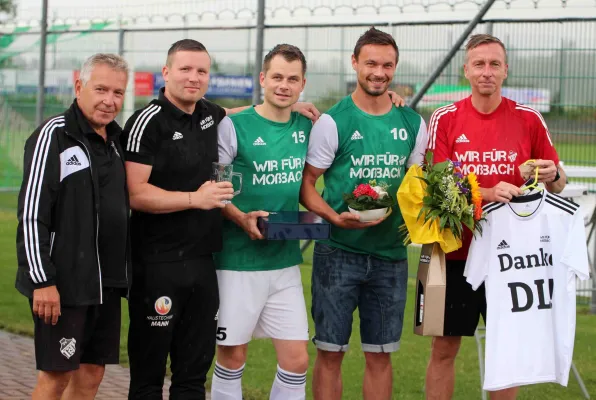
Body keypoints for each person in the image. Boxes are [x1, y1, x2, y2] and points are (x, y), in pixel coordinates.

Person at [122, 39, 322, 400]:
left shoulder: (210, 114)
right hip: (169, 262)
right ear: (166, 72)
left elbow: (234, 113)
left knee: (195, 372)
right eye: (185, 69)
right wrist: (206, 203)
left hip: (209, 261)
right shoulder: (148, 120)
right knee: (155, 373)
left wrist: (290, 104)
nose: (193, 77)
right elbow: (135, 193)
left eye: (201, 71)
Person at [425, 33, 566, 400]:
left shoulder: (529, 118)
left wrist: (553, 174)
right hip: (451, 251)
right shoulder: (445, 118)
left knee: (507, 350)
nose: (486, 72)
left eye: (494, 64)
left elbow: (559, 183)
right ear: (466, 71)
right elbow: (435, 191)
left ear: (506, 70)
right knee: (443, 349)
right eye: (479, 64)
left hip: (512, 256)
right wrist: (487, 194)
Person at [300, 27, 429, 400]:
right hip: (338, 251)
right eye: (371, 62)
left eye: (387, 65)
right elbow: (307, 186)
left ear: (395, 68)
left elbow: (414, 184)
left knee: (380, 357)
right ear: (354, 62)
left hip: (390, 256)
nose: (379, 72)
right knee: (329, 353)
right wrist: (333, 217)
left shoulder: (412, 123)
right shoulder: (333, 121)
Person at [15, 53, 130, 400]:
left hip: (106, 284)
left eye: (118, 93)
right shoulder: (54, 135)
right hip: (63, 285)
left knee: (92, 374)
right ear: (79, 85)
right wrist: (42, 281)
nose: (110, 101)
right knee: (56, 377)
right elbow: (33, 213)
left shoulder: (117, 140)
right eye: (101, 89)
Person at [210, 43, 312, 400]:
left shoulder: (308, 125)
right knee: (233, 356)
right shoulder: (232, 126)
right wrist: (241, 218)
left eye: (293, 79)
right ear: (263, 79)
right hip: (236, 261)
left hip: (284, 261)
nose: (284, 85)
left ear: (303, 85)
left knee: (297, 360)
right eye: (278, 77)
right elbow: (216, 188)